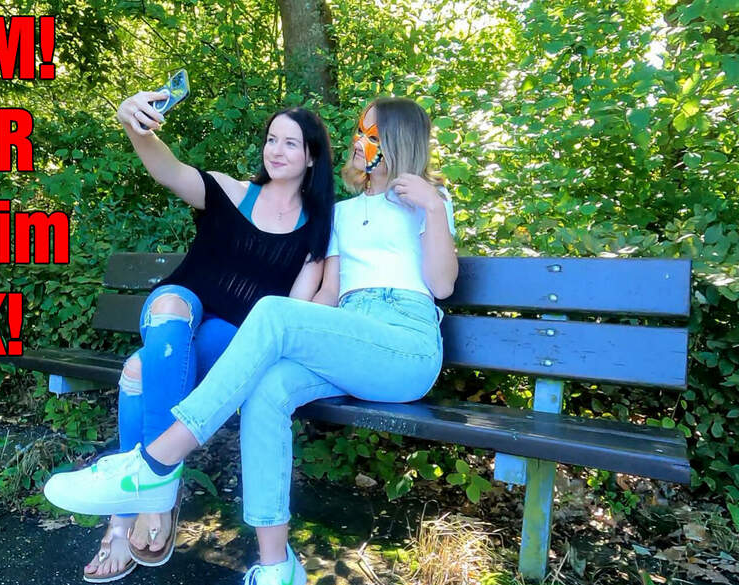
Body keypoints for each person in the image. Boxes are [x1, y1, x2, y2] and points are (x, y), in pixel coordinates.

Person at [44, 96, 458, 585]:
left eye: (373, 134)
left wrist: (432, 206)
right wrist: (292, 331)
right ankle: (276, 566)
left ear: (399, 141)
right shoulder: (339, 214)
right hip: (349, 336)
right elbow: (327, 294)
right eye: (358, 132)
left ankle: (155, 464)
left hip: (406, 343)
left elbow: (442, 285)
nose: (359, 142)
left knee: (272, 312)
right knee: (266, 391)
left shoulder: (431, 203)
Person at [78, 89, 335, 582]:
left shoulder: (316, 229)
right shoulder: (229, 191)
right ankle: (157, 495)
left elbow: (293, 311)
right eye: (271, 139)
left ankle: (122, 521)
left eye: (291, 143)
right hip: (178, 309)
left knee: (137, 371)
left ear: (311, 158)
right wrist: (135, 126)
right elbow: (168, 170)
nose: (276, 150)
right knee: (171, 307)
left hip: (233, 339)